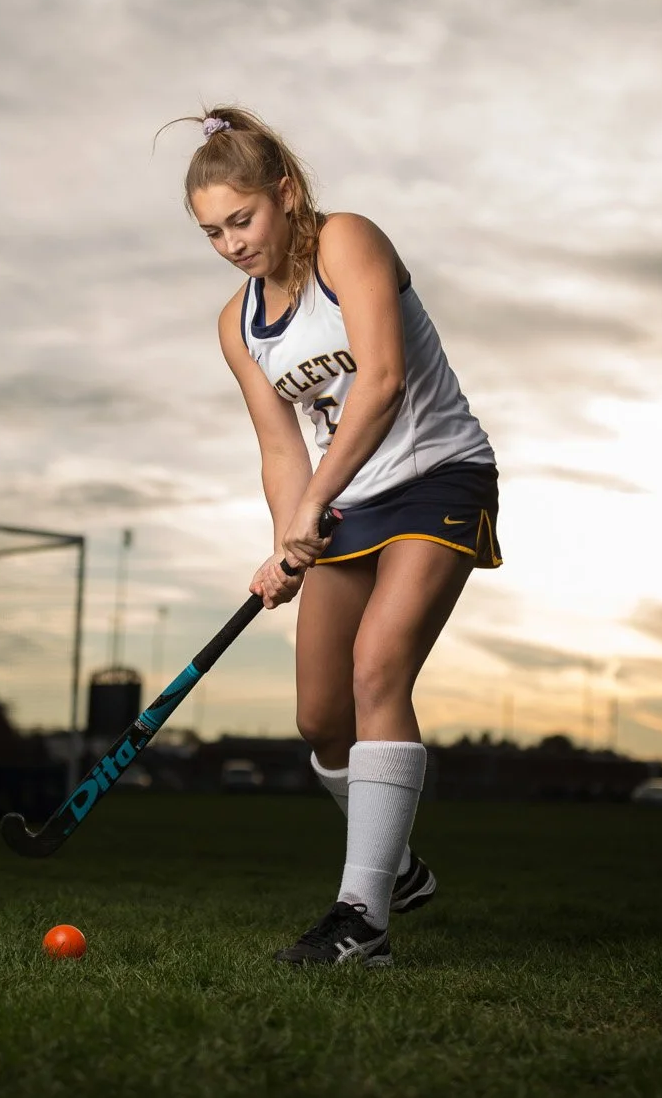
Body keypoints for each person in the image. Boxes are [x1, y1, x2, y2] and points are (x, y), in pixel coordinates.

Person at [165, 106, 501, 967]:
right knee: (321, 720)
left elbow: (381, 382)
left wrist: (316, 498)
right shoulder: (236, 325)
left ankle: (364, 919)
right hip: (345, 502)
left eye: (242, 219)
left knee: (377, 666)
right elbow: (280, 447)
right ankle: (400, 867)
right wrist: (286, 538)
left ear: (285, 194)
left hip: (435, 477)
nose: (232, 243)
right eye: (212, 232)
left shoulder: (346, 241)